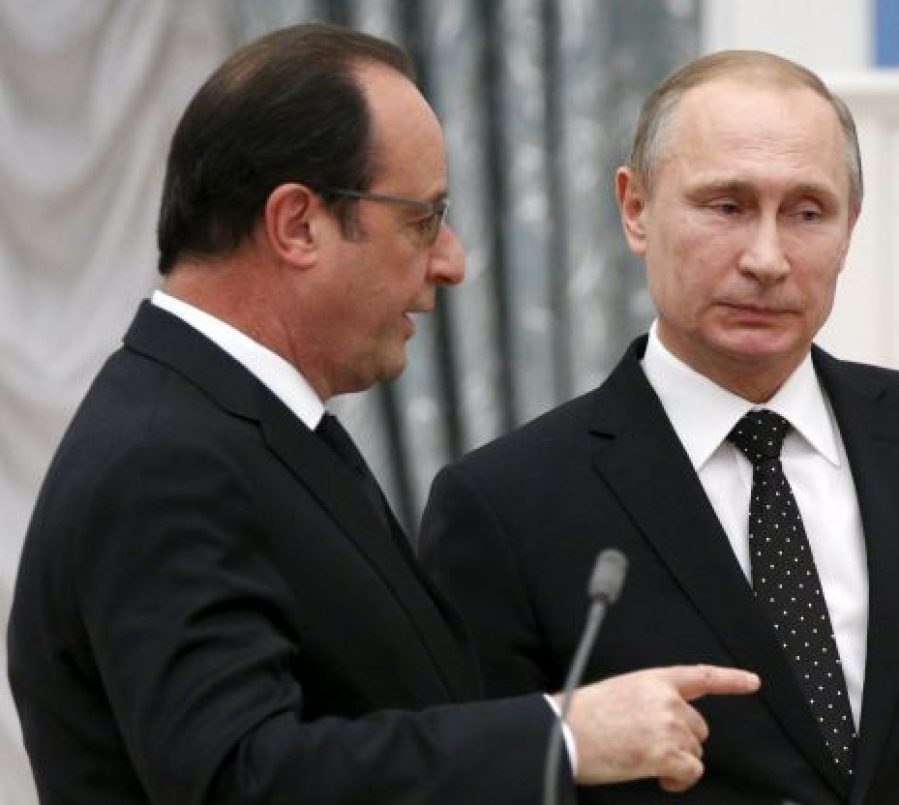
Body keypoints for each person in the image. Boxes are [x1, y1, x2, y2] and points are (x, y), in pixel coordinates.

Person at [6, 24, 761, 804]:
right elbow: (240, 775)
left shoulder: (248, 425)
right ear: (298, 225)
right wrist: (562, 736)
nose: (452, 261)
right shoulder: (166, 458)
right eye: (422, 220)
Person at [420, 50, 899, 803]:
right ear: (636, 209)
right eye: (727, 206)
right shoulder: (506, 506)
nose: (767, 258)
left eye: (807, 213)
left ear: (850, 229)